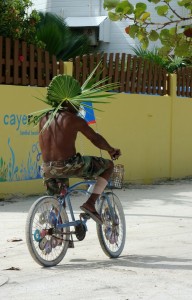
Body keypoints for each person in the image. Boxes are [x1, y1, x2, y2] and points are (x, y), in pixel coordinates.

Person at [39, 101, 121, 224]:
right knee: (109, 165)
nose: (79, 107)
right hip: (69, 166)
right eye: (77, 104)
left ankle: (60, 234)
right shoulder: (74, 119)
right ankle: (90, 203)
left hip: (47, 169)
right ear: (70, 103)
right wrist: (111, 149)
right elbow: (95, 138)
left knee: (59, 202)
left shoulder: (44, 118)